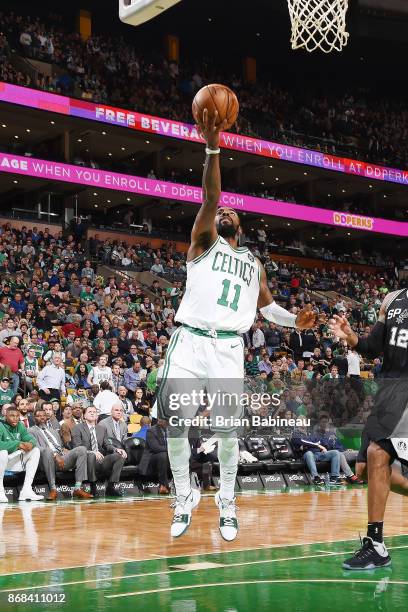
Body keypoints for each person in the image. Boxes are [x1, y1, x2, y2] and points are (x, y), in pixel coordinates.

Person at [158, 109, 318, 540]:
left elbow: (268, 310)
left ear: (241, 229)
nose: (223, 209)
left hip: (228, 348)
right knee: (177, 423)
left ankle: (227, 500)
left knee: (227, 432)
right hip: (190, 341)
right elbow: (211, 198)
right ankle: (183, 493)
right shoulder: (204, 240)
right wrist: (213, 147)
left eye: (231, 210)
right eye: (221, 208)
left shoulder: (253, 264)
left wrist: (295, 321)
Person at [329, 290, 408, 569]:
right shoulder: (393, 299)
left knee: (377, 455)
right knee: (371, 461)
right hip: (391, 393)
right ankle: (376, 545)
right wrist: (350, 336)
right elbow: (373, 346)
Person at [29, 407, 93, 501]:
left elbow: (61, 446)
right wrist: (55, 455)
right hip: (45, 460)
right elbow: (37, 447)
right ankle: (53, 489)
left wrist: (65, 451)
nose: (42, 417)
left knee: (81, 449)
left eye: (43, 415)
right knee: (47, 451)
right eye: (39, 416)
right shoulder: (31, 431)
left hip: (61, 458)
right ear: (34, 418)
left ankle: (78, 488)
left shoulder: (53, 431)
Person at [72, 405, 125, 497]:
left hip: (101, 459)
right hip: (86, 459)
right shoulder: (78, 428)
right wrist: (92, 452)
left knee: (120, 456)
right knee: (92, 456)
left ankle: (111, 486)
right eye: (90, 412)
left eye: (94, 412)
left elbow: (107, 444)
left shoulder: (101, 428)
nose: (92, 413)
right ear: (84, 416)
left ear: (97, 416)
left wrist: (116, 449)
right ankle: (93, 487)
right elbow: (77, 447)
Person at [0, 405, 43, 502]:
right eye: (12, 416)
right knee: (2, 452)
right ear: (5, 416)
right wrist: (18, 444)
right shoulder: (0, 425)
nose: (15, 418)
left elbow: (31, 439)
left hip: (12, 462)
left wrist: (30, 444)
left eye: (17, 416)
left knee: (35, 450)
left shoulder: (20, 425)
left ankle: (26, 490)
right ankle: (0, 491)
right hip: (1, 461)